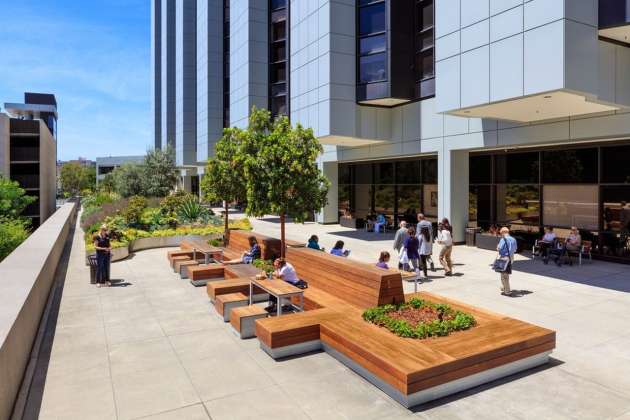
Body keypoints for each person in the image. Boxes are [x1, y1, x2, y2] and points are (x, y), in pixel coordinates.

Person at [497, 227, 517, 296]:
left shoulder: (503, 239)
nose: (501, 235)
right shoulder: (513, 239)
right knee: (505, 273)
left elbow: (499, 248)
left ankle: (507, 291)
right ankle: (504, 287)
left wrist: (497, 247)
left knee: (504, 275)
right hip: (511, 257)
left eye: (500, 233)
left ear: (503, 232)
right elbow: (515, 249)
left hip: (504, 257)